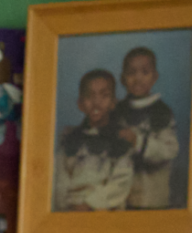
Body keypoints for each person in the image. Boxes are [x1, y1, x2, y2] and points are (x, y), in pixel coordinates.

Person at [53, 69, 133, 212]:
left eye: (104, 96)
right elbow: (60, 178)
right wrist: (67, 207)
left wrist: (90, 204)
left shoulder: (120, 140)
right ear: (80, 103)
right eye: (90, 96)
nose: (96, 102)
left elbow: (121, 183)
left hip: (105, 212)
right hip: (72, 210)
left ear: (113, 102)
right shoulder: (70, 139)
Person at [113, 47, 180, 209]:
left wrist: (138, 141)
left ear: (154, 77)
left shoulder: (161, 112)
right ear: (122, 79)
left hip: (152, 195)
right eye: (131, 73)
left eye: (145, 72)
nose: (138, 79)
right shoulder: (117, 110)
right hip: (122, 196)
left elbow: (170, 150)